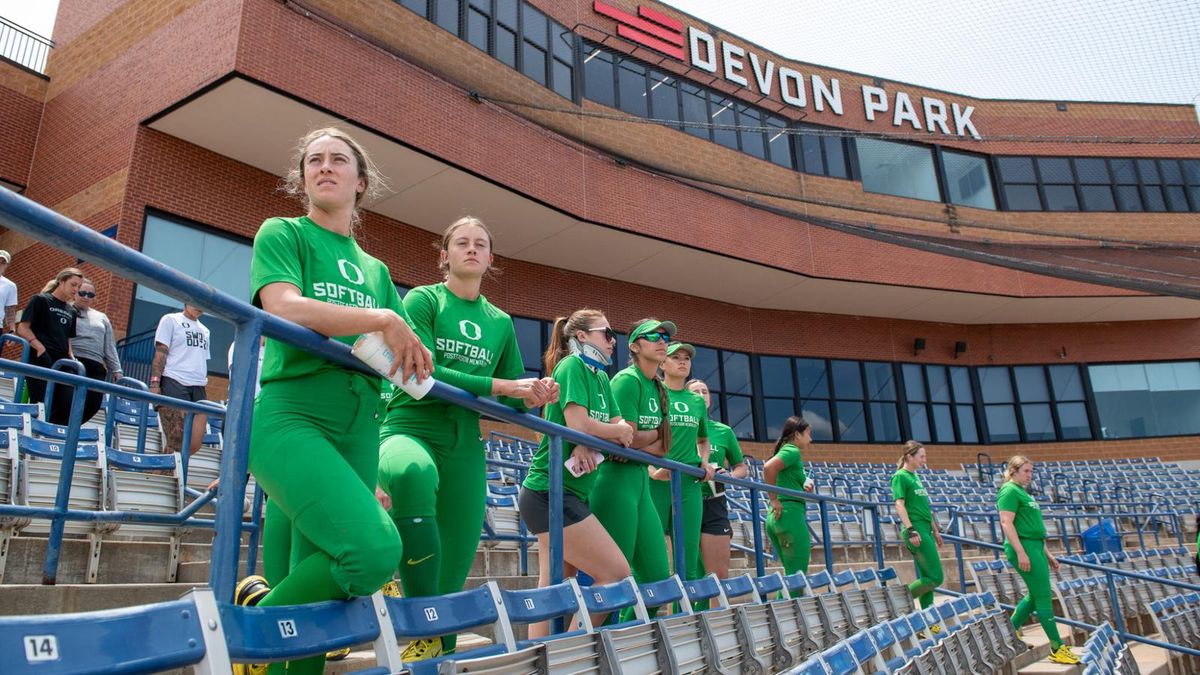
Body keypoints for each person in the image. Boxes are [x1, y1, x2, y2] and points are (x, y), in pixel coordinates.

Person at [232, 127, 432, 675]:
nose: (324, 166)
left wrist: (405, 337)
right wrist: (381, 319)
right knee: (372, 552)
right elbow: (285, 308)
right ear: (302, 179)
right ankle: (247, 641)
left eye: (338, 160)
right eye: (313, 160)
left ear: (360, 181)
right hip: (292, 413)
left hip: (361, 424)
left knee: (325, 578)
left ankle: (273, 657)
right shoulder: (284, 233)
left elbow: (409, 357)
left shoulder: (377, 270)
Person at [377, 216, 557, 660]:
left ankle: (434, 652)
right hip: (410, 423)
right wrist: (504, 387)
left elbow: (513, 391)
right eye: (462, 243)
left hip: (464, 440)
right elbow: (425, 366)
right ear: (445, 255)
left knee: (453, 572)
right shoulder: (423, 300)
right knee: (410, 473)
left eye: (480, 244)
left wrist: (533, 395)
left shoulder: (499, 320)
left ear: (491, 258)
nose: (471, 249)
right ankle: (386, 568)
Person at [518, 308, 634, 638]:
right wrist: (605, 433)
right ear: (581, 336)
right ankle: (572, 649)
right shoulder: (572, 366)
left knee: (555, 587)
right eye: (606, 334)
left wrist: (606, 433)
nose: (613, 341)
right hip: (549, 490)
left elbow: (620, 428)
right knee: (615, 572)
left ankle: (542, 659)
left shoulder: (600, 377)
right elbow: (581, 424)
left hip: (570, 491)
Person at [591, 319, 674, 616]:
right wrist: (650, 438)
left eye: (665, 336)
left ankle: (629, 641)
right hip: (614, 482)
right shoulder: (627, 380)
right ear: (636, 346)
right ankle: (593, 647)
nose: (662, 340)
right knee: (615, 580)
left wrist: (643, 441)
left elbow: (665, 446)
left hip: (639, 482)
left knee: (658, 581)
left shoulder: (658, 387)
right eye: (654, 336)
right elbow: (625, 438)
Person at [998, 455, 1081, 665]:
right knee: (1043, 595)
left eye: (1031, 471)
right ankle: (1056, 647)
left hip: (1035, 546)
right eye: (1026, 471)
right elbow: (1007, 523)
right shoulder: (1009, 490)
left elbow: (1034, 528)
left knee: (1035, 596)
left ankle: (1008, 632)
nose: (1030, 475)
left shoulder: (1023, 492)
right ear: (1014, 471)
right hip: (1024, 547)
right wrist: (1021, 552)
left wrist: (1048, 555)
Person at [648, 342, 715, 583]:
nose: (683, 361)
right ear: (662, 362)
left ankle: (684, 619)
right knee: (651, 565)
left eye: (686, 357)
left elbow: (703, 440)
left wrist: (705, 462)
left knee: (688, 563)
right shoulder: (652, 391)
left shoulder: (696, 401)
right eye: (676, 357)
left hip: (688, 483)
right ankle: (637, 618)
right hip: (655, 484)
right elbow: (636, 434)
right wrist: (652, 469)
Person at [686, 378, 747, 583]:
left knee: (718, 577)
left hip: (714, 503)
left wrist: (728, 476)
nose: (701, 395)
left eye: (705, 392)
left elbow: (741, 467)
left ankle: (714, 615)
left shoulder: (723, 431)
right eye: (695, 392)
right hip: (684, 499)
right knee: (686, 576)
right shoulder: (678, 425)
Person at [16, 267, 82, 423]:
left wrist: (72, 357)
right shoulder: (40, 300)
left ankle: (49, 434)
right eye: (73, 285)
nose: (76, 289)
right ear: (61, 281)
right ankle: (33, 434)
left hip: (62, 361)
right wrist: (39, 347)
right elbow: (23, 328)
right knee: (40, 403)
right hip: (41, 357)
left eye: (78, 287)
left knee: (67, 400)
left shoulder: (71, 311)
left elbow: (68, 338)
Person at [150, 303, 211, 456]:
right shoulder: (171, 319)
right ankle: (164, 476)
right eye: (195, 301)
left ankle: (164, 472)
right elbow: (161, 352)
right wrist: (155, 382)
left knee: (194, 444)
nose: (198, 305)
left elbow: (200, 359)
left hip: (198, 386)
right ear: (186, 300)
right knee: (177, 439)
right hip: (174, 380)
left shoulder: (205, 330)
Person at [892, 440, 943, 612]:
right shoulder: (901, 476)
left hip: (926, 529)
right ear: (909, 456)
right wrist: (911, 529)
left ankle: (930, 625)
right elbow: (899, 505)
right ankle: (896, 603)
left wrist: (935, 529)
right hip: (916, 529)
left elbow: (924, 507)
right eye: (921, 456)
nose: (924, 459)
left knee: (927, 578)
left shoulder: (915, 476)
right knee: (936, 577)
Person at [763, 415, 815, 582]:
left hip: (778, 516)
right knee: (797, 577)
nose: (811, 439)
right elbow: (768, 467)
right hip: (789, 514)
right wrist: (773, 499)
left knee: (790, 576)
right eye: (808, 433)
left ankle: (782, 608)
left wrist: (804, 485)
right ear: (797, 434)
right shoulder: (792, 451)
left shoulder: (786, 450)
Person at [71, 278, 123, 423]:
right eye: (82, 293)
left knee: (93, 404)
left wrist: (117, 370)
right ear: (75, 292)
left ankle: (72, 429)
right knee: (66, 401)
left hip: (96, 365)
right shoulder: (66, 309)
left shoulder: (102, 317)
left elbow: (109, 346)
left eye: (90, 295)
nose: (86, 297)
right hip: (73, 360)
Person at [0, 250, 17, 334]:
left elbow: (10, 311)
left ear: (6, 265)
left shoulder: (10, 285)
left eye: (2, 262)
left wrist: (12, 330)